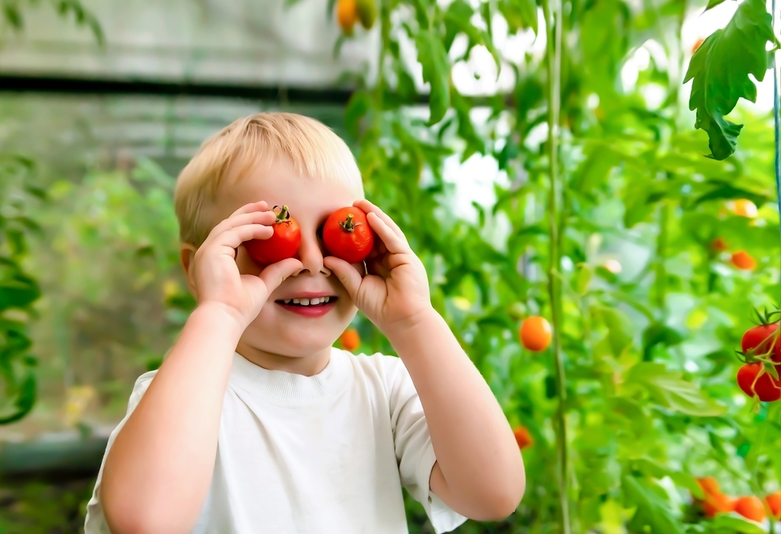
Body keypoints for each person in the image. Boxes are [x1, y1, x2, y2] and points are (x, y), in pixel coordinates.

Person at [84, 112, 526, 533]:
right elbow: (146, 522)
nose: (312, 261)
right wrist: (219, 312)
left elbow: (494, 493)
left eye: (338, 230)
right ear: (198, 267)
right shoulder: (185, 398)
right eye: (271, 235)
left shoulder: (383, 392)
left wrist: (414, 321)